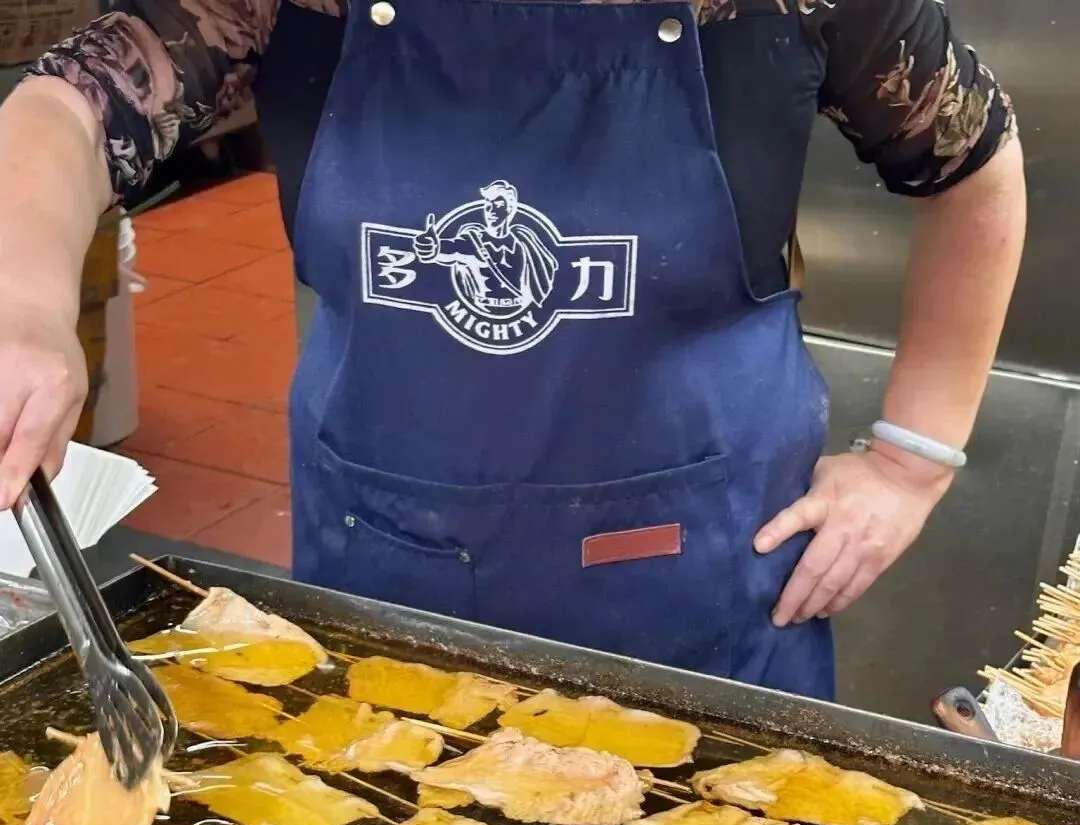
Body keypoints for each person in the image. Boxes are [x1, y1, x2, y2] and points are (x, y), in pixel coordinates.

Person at [0, 0, 1025, 699]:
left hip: (702, 584)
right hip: (385, 563)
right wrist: (24, 304)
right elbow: (66, 108)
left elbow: (975, 166)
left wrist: (911, 461)